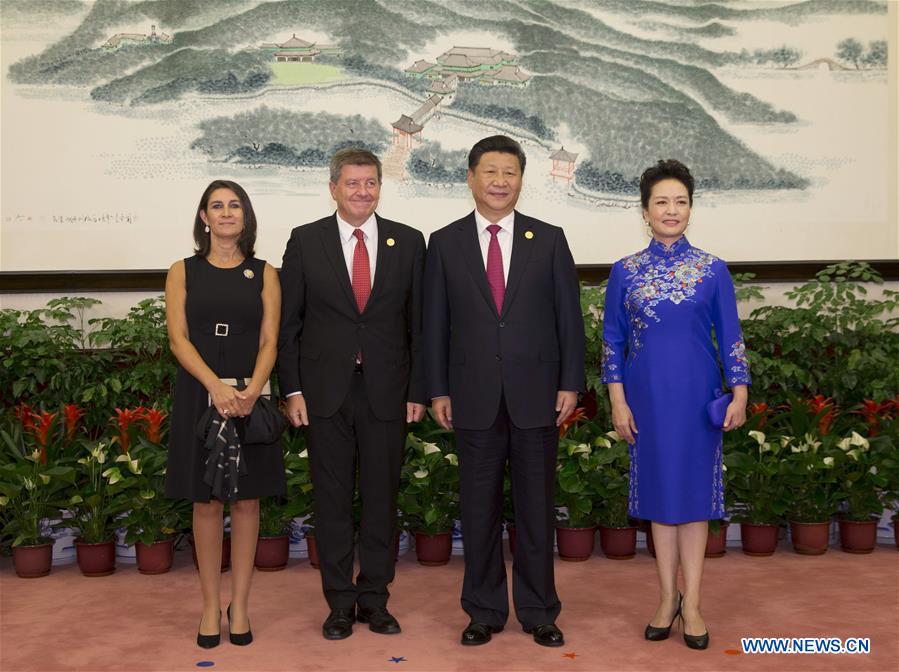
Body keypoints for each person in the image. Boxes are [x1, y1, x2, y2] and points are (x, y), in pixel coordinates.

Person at [424, 135, 585, 648]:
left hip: (538, 394)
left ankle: (540, 610)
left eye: (509, 172)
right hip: (471, 396)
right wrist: (438, 389)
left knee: (536, 510)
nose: (499, 181)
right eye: (490, 172)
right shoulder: (444, 243)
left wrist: (570, 383)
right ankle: (484, 611)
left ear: (521, 179)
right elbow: (434, 325)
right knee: (478, 511)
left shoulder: (550, 239)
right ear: (471, 177)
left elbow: (569, 321)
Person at [277, 148, 426, 640]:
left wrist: (419, 390)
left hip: (388, 390)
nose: (363, 191)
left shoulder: (408, 242)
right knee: (333, 500)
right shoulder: (305, 241)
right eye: (353, 183)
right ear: (333, 188)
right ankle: (340, 602)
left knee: (382, 501)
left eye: (371, 183)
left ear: (380, 187)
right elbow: (289, 324)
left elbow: (419, 326)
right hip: (324, 393)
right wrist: (292, 389)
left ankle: (376, 600)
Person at [601, 159, 749, 650]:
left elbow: (731, 337)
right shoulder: (624, 271)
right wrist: (618, 403)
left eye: (680, 201)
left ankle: (696, 604)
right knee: (660, 503)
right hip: (646, 402)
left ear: (691, 208)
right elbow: (612, 343)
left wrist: (741, 392)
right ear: (645, 211)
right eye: (661, 202)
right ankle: (666, 598)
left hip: (697, 400)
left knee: (695, 504)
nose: (671, 210)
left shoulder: (713, 270)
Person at [165, 180, 286, 648]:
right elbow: (178, 338)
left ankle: (241, 606)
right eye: (217, 206)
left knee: (248, 501)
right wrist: (215, 386)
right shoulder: (182, 270)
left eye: (234, 205)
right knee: (206, 501)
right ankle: (210, 607)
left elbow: (270, 339)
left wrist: (253, 390)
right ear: (204, 218)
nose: (226, 213)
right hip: (201, 392)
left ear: (245, 216)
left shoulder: (265, 272)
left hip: (250, 393)